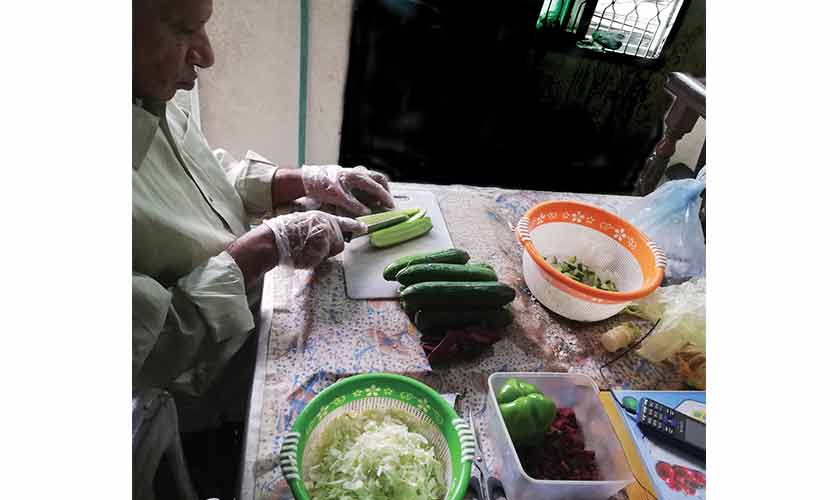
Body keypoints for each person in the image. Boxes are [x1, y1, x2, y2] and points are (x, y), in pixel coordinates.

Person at [133, 0, 394, 437]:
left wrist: (305, 180)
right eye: (183, 31)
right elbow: (156, 346)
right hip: (212, 383)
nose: (207, 55)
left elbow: (206, 176)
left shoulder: (144, 95)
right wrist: (268, 245)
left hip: (260, 306)